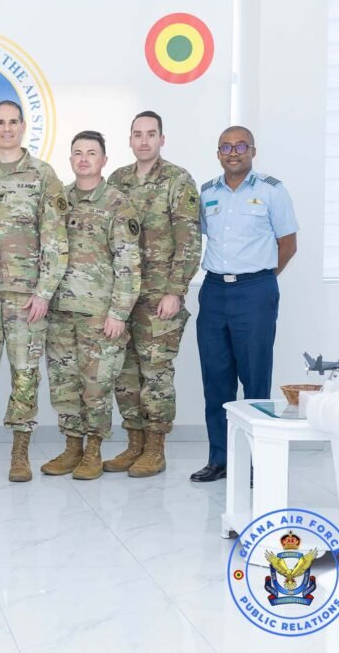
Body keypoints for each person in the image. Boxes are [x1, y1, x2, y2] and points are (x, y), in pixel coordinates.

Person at [0, 100, 68, 482]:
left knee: (25, 376)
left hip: (27, 298)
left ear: (23, 127)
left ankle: (20, 453)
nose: (6, 129)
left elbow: (55, 238)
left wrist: (44, 292)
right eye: (0, 123)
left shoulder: (42, 174)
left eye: (13, 122)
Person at [192, 126, 298, 483]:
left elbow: (288, 244)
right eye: (225, 147)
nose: (233, 152)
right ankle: (219, 459)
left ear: (253, 150)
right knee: (215, 380)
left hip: (255, 291)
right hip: (214, 291)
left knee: (255, 380)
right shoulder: (207, 192)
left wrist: (262, 279)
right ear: (218, 153)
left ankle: (257, 462)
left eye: (240, 146)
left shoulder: (272, 191)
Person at [105, 111, 201, 478]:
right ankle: (134, 444)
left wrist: (176, 291)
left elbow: (188, 240)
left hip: (159, 296)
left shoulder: (178, 180)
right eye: (137, 134)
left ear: (162, 139)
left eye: (151, 134)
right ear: (129, 140)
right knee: (125, 374)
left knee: (156, 374)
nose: (144, 141)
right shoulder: (118, 180)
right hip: (122, 297)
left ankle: (155, 449)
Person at [41, 131, 142, 481]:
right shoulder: (59, 200)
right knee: (64, 385)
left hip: (99, 315)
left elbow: (128, 262)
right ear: (71, 159)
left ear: (104, 160)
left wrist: (119, 313)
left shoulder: (117, 203)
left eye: (91, 153)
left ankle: (94, 450)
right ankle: (72, 448)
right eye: (78, 153)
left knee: (96, 387)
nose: (84, 159)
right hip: (60, 312)